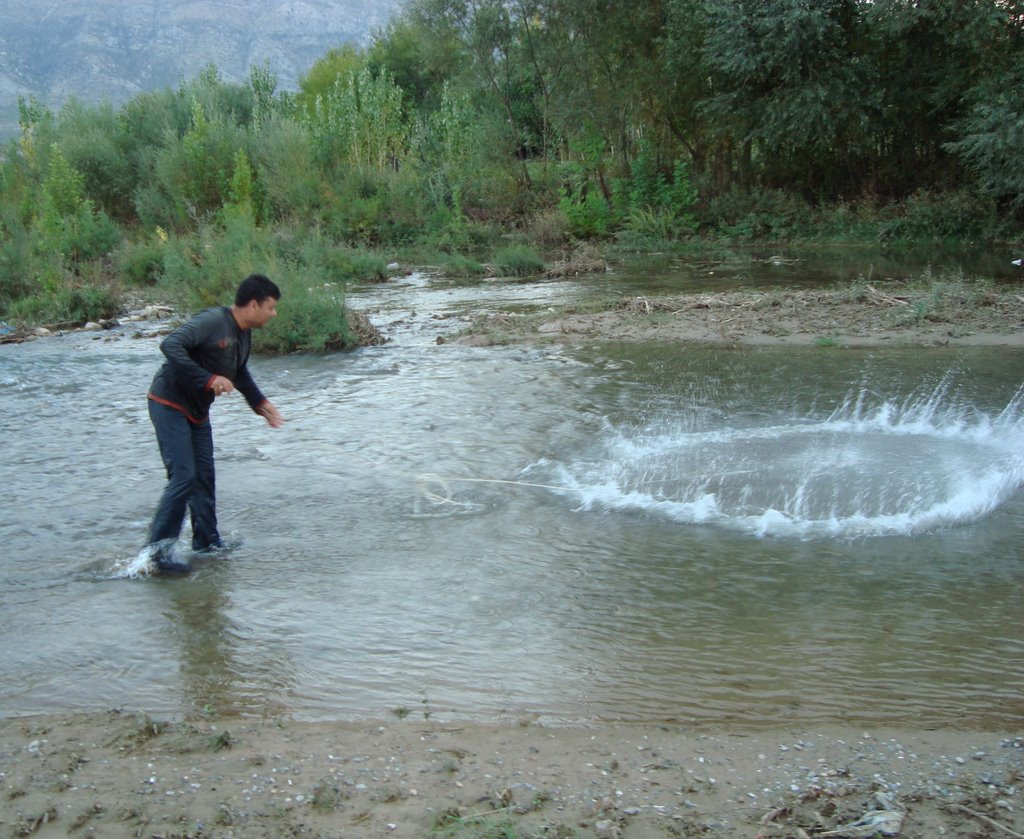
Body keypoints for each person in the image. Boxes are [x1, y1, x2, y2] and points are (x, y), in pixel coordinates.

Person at [145, 274, 284, 573]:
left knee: (204, 477)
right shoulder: (212, 321)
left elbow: (239, 372)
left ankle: (207, 543)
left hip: (196, 411)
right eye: (271, 308)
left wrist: (258, 403)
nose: (274, 314)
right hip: (168, 404)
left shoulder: (244, 333)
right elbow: (170, 345)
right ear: (254, 304)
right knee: (183, 477)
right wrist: (208, 379)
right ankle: (156, 556)